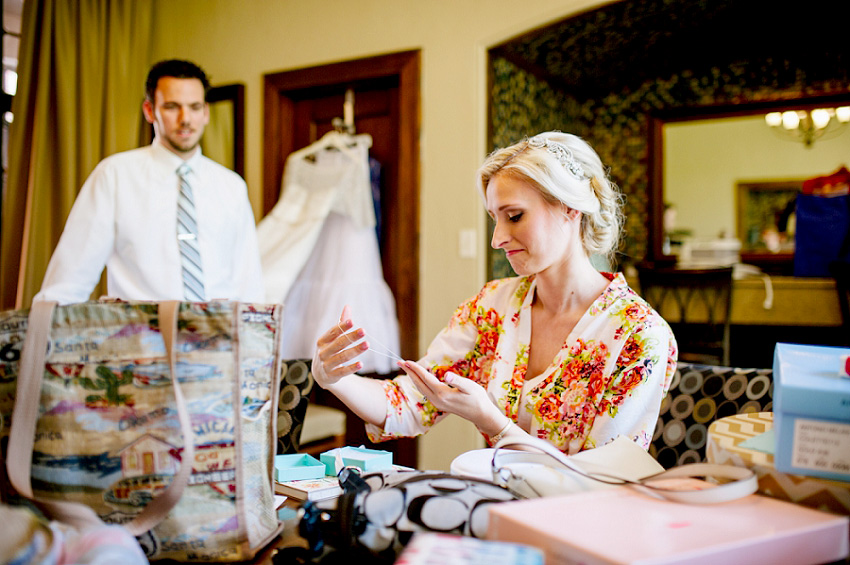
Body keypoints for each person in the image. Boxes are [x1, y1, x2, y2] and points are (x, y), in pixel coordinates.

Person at [314, 131, 677, 455]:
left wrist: (496, 426)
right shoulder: (491, 307)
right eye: (494, 218)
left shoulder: (640, 335)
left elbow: (604, 481)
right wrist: (335, 379)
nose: (497, 239)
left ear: (570, 208)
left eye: (514, 216)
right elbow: (409, 403)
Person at [34, 59, 264, 304]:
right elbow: (69, 281)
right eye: (172, 107)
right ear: (149, 110)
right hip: (137, 338)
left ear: (206, 112)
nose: (185, 119)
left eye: (195, 107)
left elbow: (248, 285)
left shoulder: (232, 187)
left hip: (219, 338)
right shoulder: (114, 176)